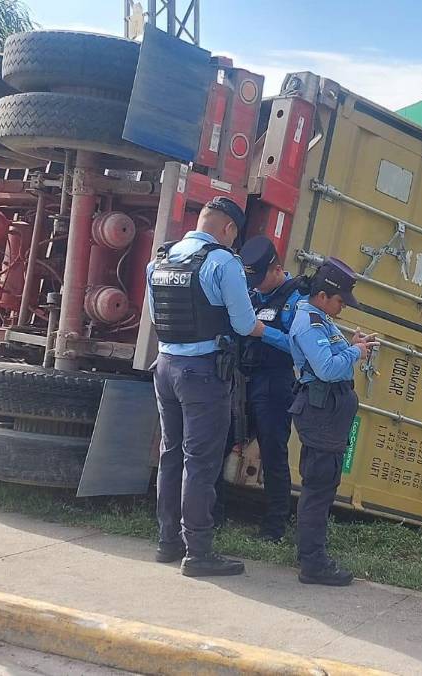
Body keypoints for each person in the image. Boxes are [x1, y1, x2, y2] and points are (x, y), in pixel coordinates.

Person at [147, 197, 266, 577]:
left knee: (171, 455)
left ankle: (168, 541)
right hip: (201, 374)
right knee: (200, 463)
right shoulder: (222, 263)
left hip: (165, 367)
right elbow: (246, 325)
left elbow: (155, 317)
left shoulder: (161, 260)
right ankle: (197, 551)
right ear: (229, 229)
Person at [288, 258, 376, 586]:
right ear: (323, 296)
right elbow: (326, 368)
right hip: (320, 411)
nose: (342, 307)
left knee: (323, 486)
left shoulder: (320, 318)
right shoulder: (309, 323)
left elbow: (333, 356)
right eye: (340, 301)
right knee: (319, 488)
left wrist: (353, 346)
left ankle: (311, 554)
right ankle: (313, 563)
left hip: (327, 412)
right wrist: (354, 354)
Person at [213, 236, 307, 541]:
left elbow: (301, 350)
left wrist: (264, 331)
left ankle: (274, 528)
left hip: (275, 382)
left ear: (277, 269)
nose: (255, 285)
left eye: (259, 278)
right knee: (218, 444)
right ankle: (214, 515)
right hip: (242, 380)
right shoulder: (252, 293)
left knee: (273, 453)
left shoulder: (298, 300)